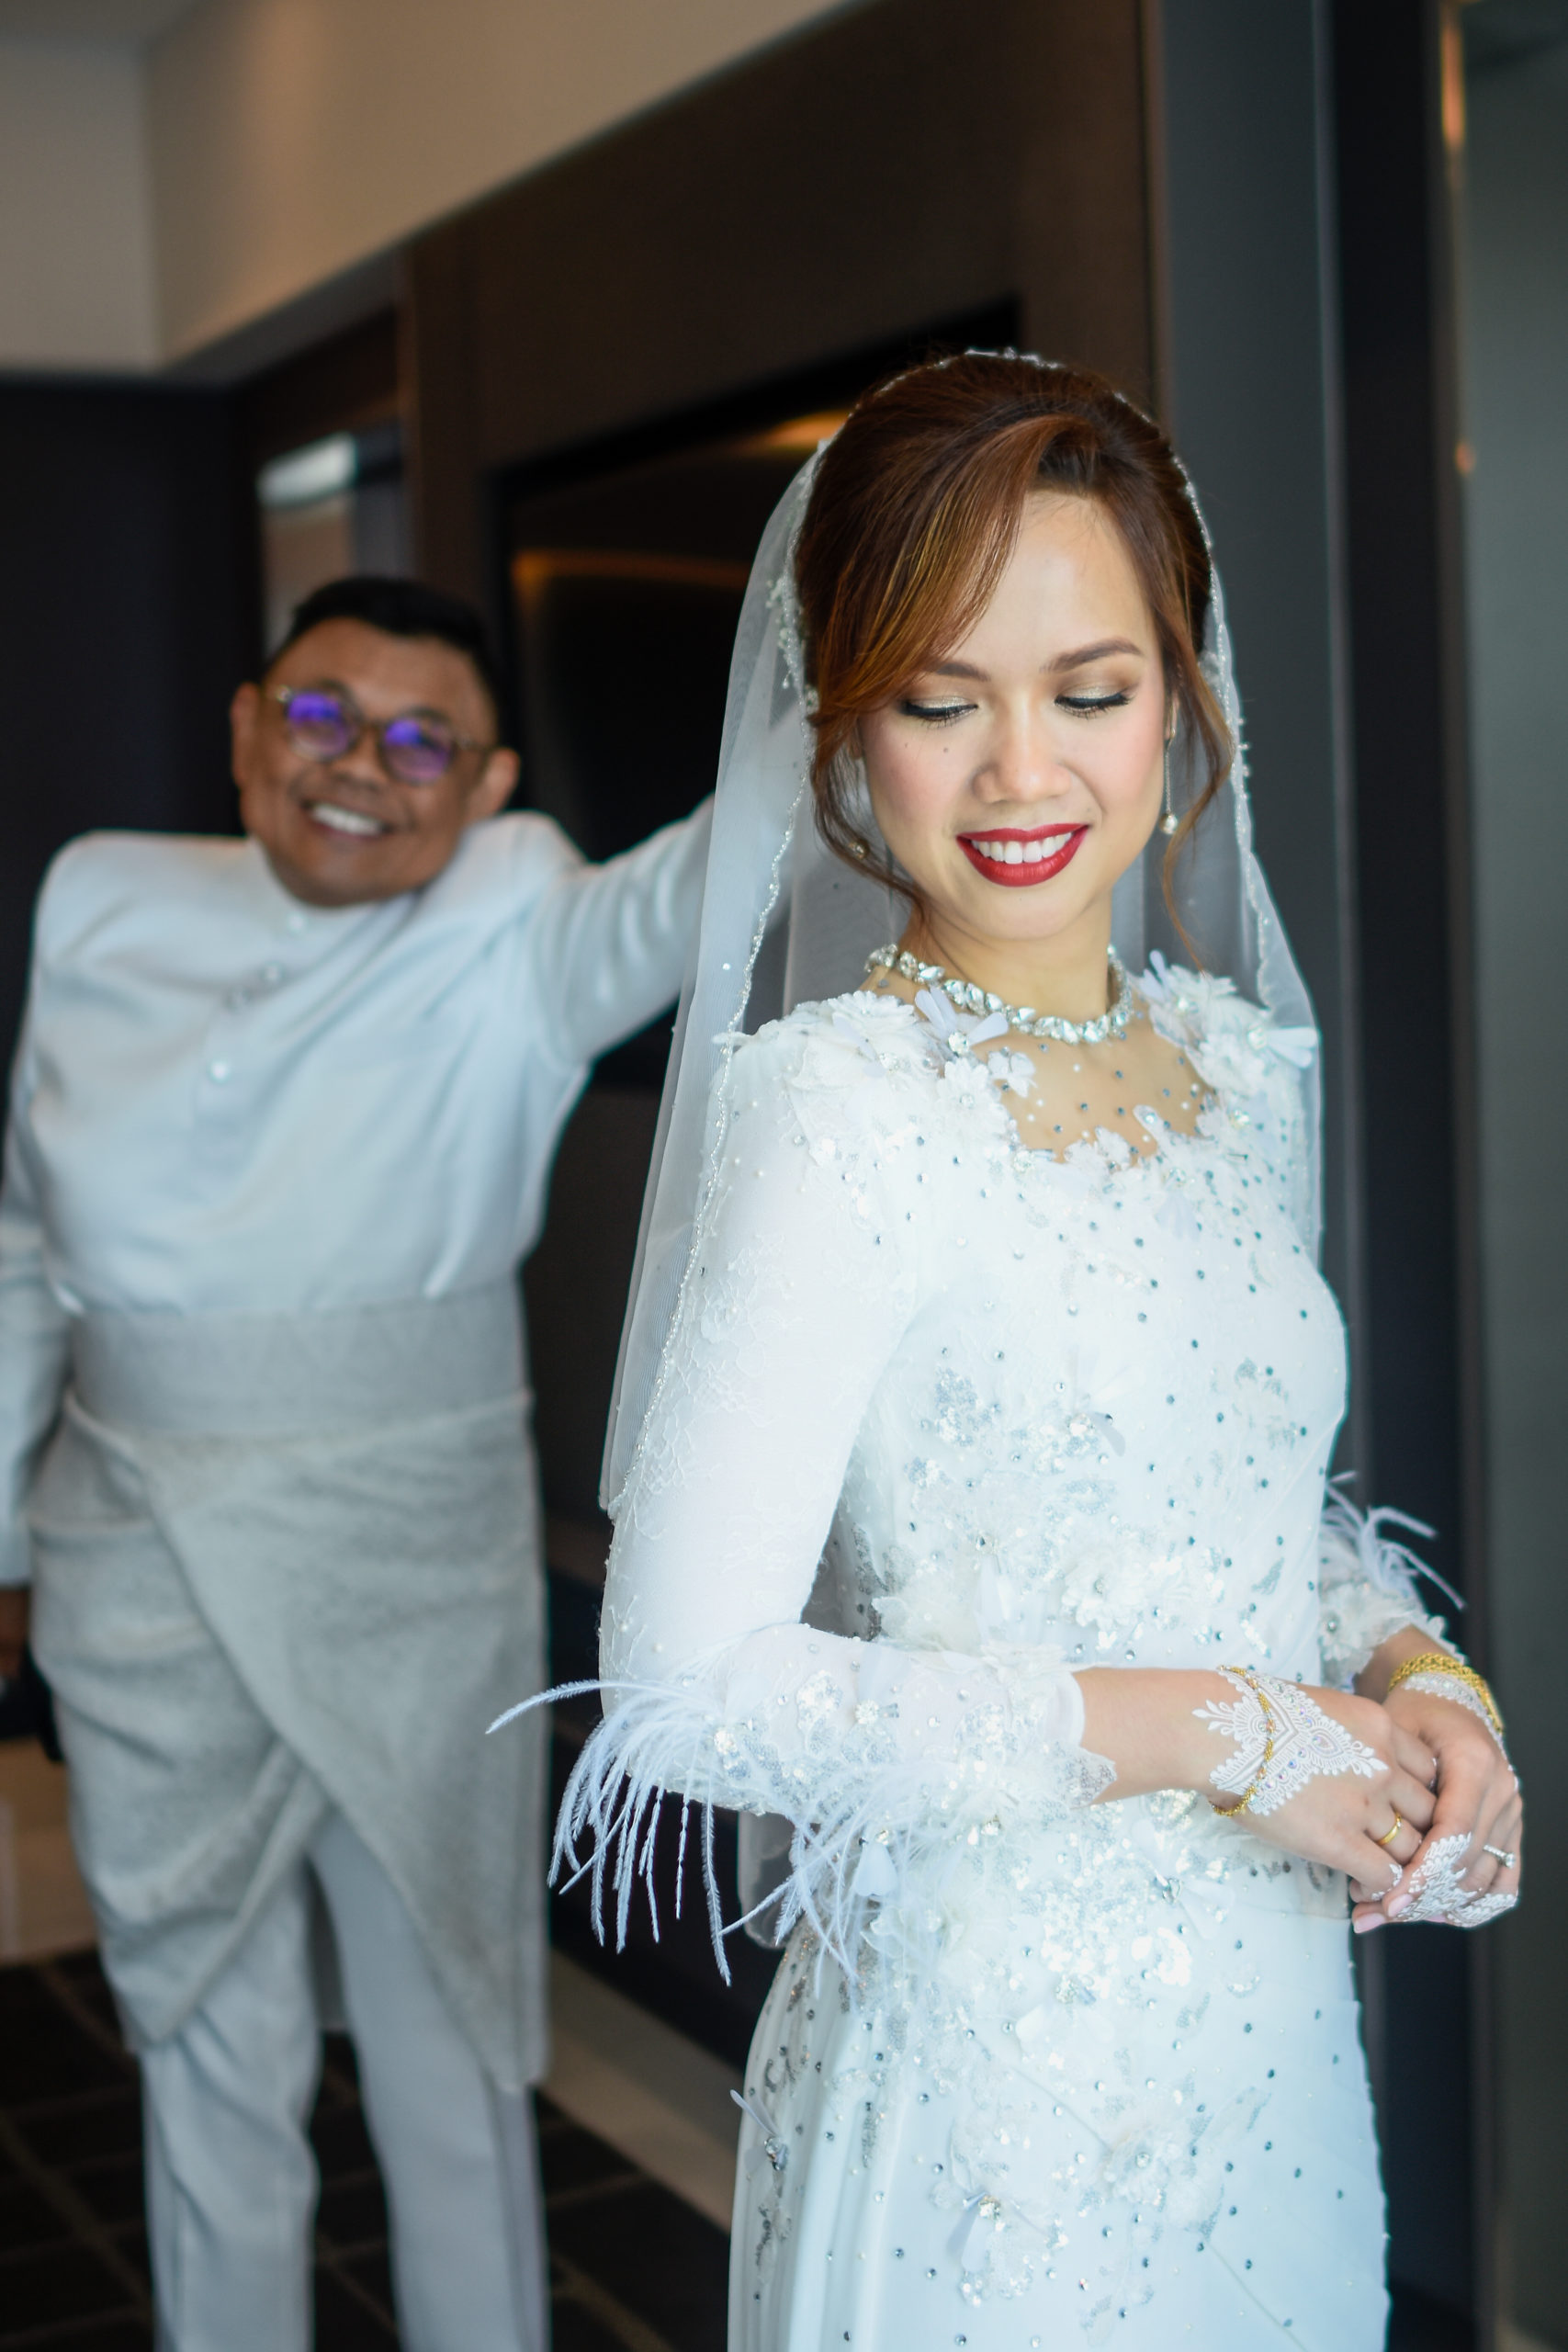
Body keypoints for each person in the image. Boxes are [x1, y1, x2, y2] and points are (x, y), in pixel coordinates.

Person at [539, 357, 1522, 2348]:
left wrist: (1415, 1674)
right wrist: (1223, 1734)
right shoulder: (840, 1108)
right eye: (937, 699)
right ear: (843, 725)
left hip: (1267, 2044)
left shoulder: (1234, 1070)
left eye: (1088, 690)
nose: (1018, 773)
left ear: (1182, 702)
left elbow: (1239, 1489)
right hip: (994, 2085)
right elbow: (684, 1691)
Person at [0, 574, 709, 2352]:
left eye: (420, 742)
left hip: (410, 1573)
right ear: (249, 725)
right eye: (321, 715)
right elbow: (22, 1242)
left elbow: (716, 876)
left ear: (488, 784)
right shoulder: (103, 895)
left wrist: (871, 652)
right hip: (137, 1563)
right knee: (202, 2045)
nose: (358, 767)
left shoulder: (520, 916)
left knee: (445, 2040)